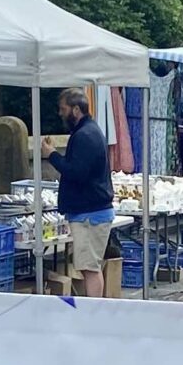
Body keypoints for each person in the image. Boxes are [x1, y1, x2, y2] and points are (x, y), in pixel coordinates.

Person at [50, 90, 115, 298]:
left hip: (90, 215)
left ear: (76, 110)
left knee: (89, 267)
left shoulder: (85, 135)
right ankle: (93, 309)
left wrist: (51, 155)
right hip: (90, 212)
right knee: (90, 265)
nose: (60, 113)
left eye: (63, 109)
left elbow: (77, 172)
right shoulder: (89, 131)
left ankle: (92, 312)